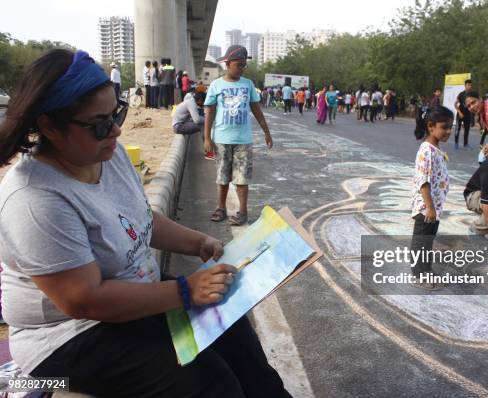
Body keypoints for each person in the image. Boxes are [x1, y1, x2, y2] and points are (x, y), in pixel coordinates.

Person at [0, 49, 290, 397]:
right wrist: (185, 290)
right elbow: (85, 301)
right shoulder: (34, 199)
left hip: (130, 291)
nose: (117, 130)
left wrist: (197, 242)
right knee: (210, 382)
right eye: (100, 124)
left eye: (117, 112)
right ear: (49, 126)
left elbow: (138, 219)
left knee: (233, 330)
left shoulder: (108, 153)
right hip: (72, 334)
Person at [204, 45, 273, 226]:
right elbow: (209, 112)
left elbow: (256, 110)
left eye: (244, 65)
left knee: (242, 178)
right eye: (238, 65)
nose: (242, 68)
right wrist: (206, 138)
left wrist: (266, 131)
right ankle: (221, 208)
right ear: (228, 64)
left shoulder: (248, 84)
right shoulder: (216, 85)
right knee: (222, 176)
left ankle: (242, 212)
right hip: (221, 139)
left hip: (243, 140)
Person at [410, 106, 454, 289]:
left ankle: (425, 269)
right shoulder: (426, 150)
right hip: (426, 207)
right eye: (444, 127)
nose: (449, 131)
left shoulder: (435, 149)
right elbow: (423, 181)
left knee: (428, 240)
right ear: (430, 126)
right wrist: (429, 207)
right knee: (421, 240)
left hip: (434, 207)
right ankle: (418, 274)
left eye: (451, 127)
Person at [454, 79, 473, 150]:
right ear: (465, 86)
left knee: (467, 130)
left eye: (471, 85)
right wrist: (460, 112)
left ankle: (465, 144)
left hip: (468, 114)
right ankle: (456, 143)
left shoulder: (472, 95)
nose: (470, 86)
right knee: (457, 129)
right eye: (468, 85)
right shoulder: (461, 94)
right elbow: (455, 104)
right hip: (460, 114)